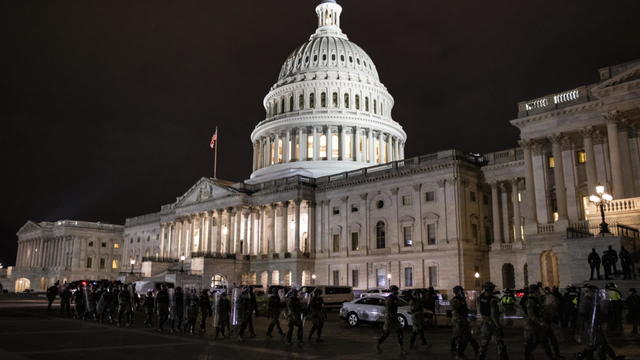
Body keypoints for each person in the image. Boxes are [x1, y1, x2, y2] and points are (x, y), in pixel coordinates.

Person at [523, 284, 556, 360]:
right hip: (532, 326)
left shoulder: (537, 299)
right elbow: (531, 315)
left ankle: (551, 356)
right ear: (534, 291)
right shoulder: (530, 301)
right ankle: (527, 356)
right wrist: (540, 322)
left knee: (544, 341)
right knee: (532, 342)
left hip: (538, 325)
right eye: (537, 290)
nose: (539, 292)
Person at [477, 282, 508, 360]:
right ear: (491, 289)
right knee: (499, 342)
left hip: (485, 321)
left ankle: (481, 356)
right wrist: (498, 326)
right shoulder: (492, 300)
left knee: (484, 342)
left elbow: (479, 309)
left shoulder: (481, 297)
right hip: (492, 323)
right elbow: (493, 314)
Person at [450, 285, 478, 360]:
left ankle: (474, 348)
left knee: (465, 335)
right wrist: (458, 320)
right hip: (460, 320)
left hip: (463, 319)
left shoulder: (461, 299)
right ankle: (458, 351)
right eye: (461, 291)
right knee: (460, 336)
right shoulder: (456, 300)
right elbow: (455, 311)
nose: (462, 292)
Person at [376, 285, 406, 356]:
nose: (397, 292)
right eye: (396, 290)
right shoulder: (390, 298)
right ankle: (377, 345)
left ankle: (401, 349)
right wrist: (391, 318)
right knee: (386, 334)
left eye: (397, 290)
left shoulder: (395, 298)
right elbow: (388, 310)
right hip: (389, 318)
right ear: (392, 291)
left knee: (400, 332)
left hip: (394, 318)